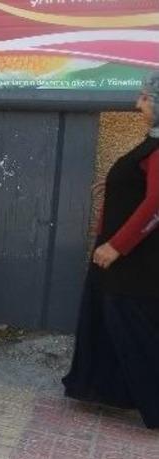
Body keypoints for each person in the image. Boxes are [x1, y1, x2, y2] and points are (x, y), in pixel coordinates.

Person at [62, 71, 159, 429]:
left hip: (134, 265)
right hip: (117, 261)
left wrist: (117, 246)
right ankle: (109, 392)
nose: (138, 104)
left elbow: (156, 204)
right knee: (106, 323)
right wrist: (116, 184)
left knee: (135, 332)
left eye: (146, 98)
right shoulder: (152, 141)